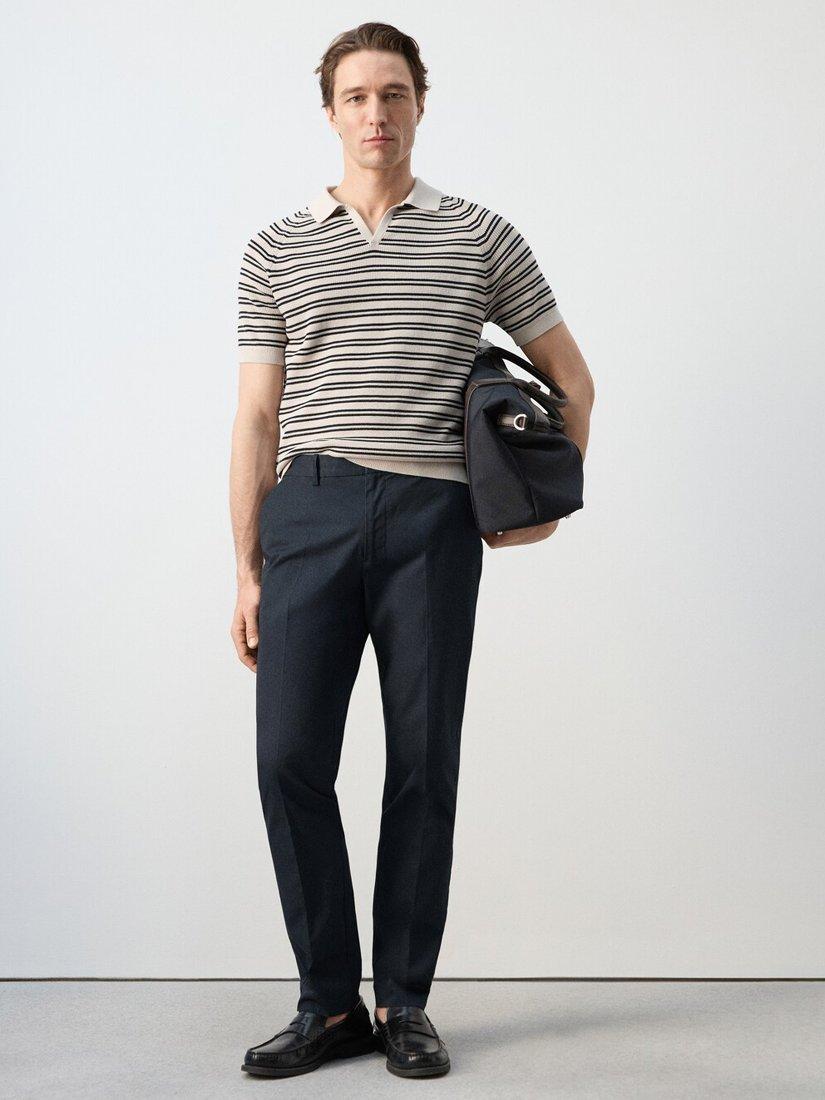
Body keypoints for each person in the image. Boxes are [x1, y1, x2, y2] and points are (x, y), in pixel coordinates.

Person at [229, 21, 595, 1081]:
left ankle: (403, 1001)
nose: (375, 113)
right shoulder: (275, 247)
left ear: (420, 105)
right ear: (330, 113)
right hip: (310, 510)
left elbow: (573, 380)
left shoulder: (480, 236)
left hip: (432, 521)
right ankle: (326, 1002)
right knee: (287, 757)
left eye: (393, 93)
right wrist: (246, 568)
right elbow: (256, 418)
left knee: (422, 760)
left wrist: (545, 500)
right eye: (356, 96)